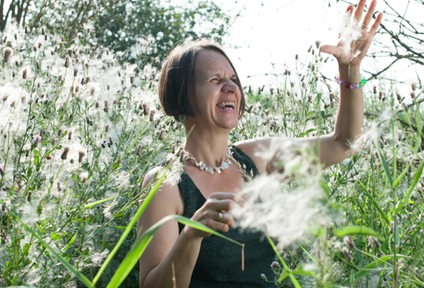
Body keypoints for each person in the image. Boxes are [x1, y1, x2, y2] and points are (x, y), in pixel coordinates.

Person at [137, 0, 383, 287]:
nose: (230, 87)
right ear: (181, 92)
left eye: (233, 79)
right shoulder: (166, 185)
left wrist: (350, 68)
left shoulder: (258, 159)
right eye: (214, 79)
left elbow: (345, 143)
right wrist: (192, 234)